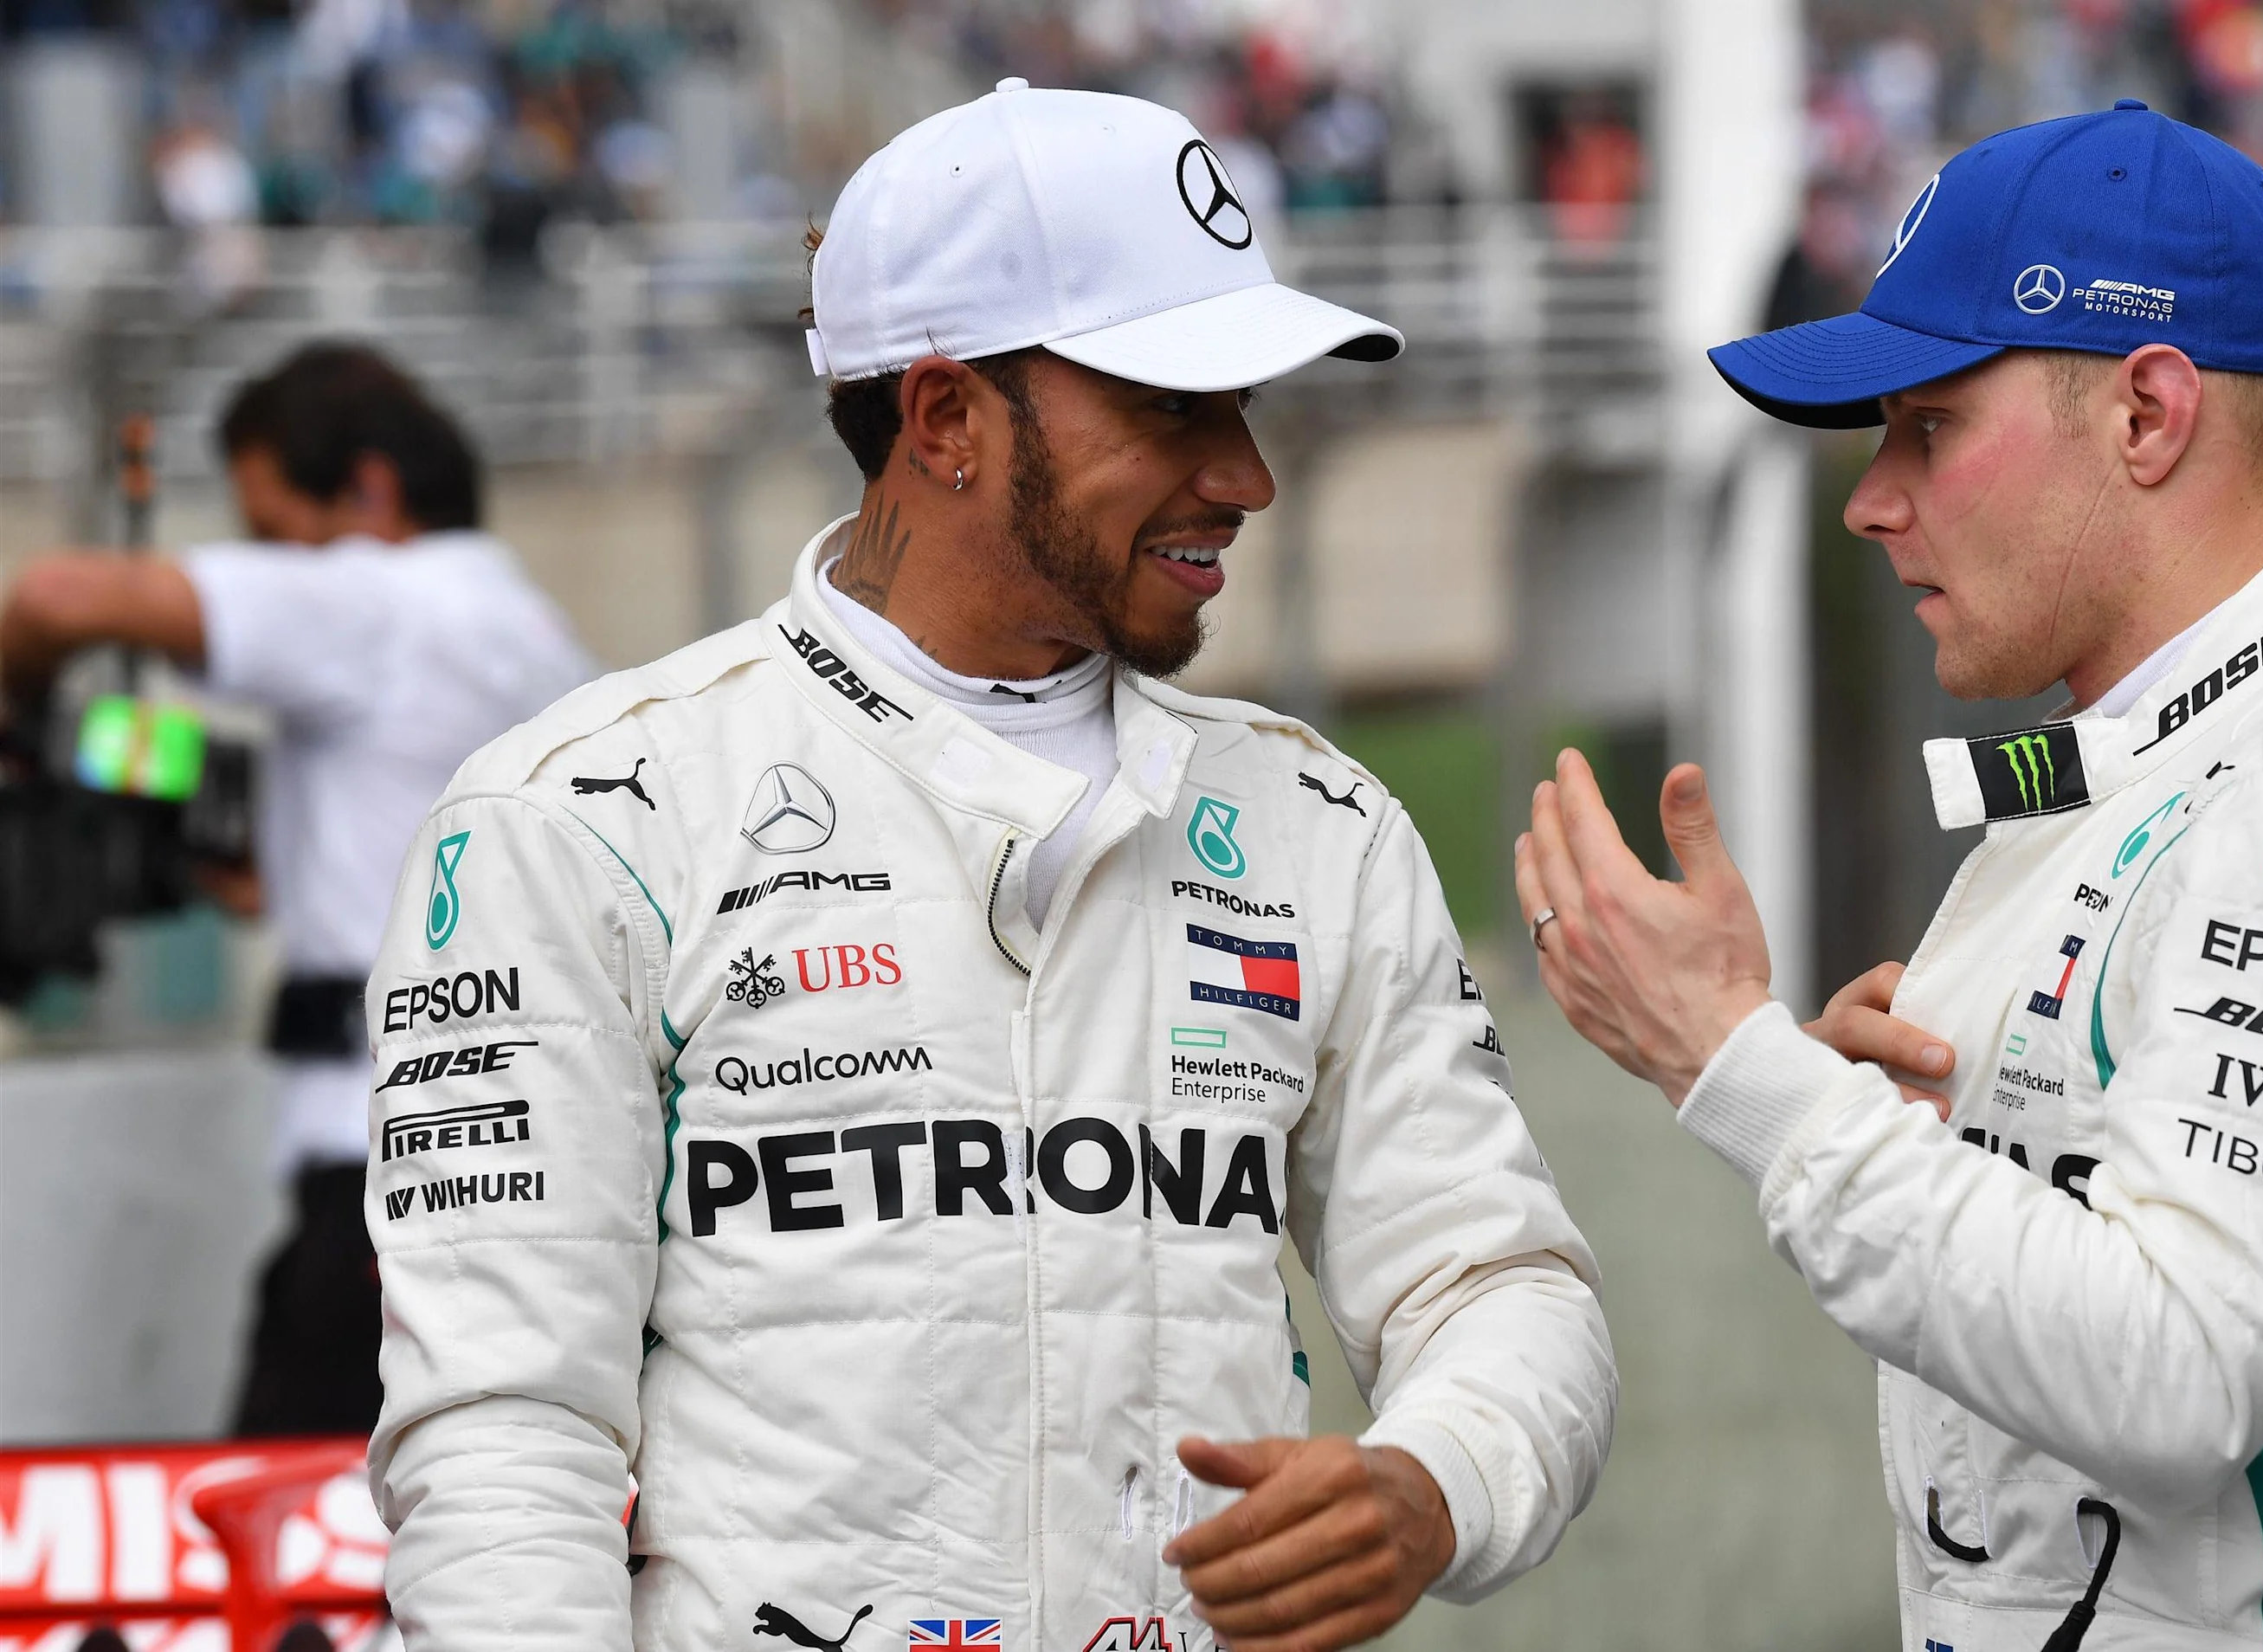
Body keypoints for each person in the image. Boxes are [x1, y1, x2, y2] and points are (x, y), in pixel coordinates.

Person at [364, 81, 1615, 1652]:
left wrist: (1434, 1477)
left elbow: (1498, 1282)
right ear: (946, 418)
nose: (1247, 475)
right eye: (1173, 404)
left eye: (1248, 405)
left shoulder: (1317, 824)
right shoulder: (586, 815)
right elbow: (502, 1447)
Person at [1517, 101, 2263, 1650]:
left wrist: (1738, 1066)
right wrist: (1935, 1127)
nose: (1872, 498)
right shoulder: (2163, 754)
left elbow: (2178, 1368)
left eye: (1925, 425)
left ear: (2148, 414)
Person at [0, 342, 594, 1438]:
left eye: (271, 533)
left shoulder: (379, 605)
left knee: (277, 1535)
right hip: (538, 1163)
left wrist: (21, 721)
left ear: (369, 489)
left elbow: (56, 595)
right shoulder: (535, 636)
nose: (264, 563)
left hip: (379, 1186)